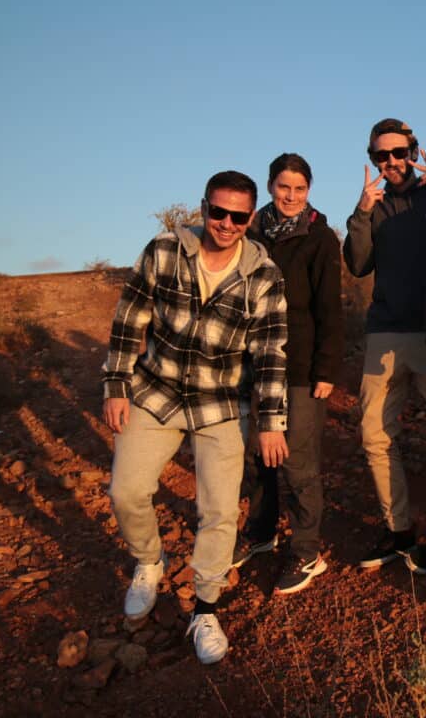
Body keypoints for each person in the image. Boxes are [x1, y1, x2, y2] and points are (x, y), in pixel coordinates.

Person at [103, 171, 288, 663]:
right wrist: (116, 386)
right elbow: (129, 319)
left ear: (251, 219)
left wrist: (271, 421)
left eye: (239, 216)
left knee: (221, 510)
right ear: (203, 207)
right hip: (156, 389)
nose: (226, 224)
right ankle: (149, 560)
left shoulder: (263, 275)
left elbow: (270, 354)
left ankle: (205, 607)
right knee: (125, 490)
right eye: (218, 212)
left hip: (221, 403)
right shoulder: (164, 251)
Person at [343, 119, 426, 573]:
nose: (392, 162)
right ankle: (397, 530)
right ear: (373, 159)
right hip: (385, 331)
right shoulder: (373, 207)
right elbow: (357, 264)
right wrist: (360, 213)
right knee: (376, 435)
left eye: (400, 153)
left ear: (414, 151)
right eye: (382, 155)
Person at [233, 153, 344, 595]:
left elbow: (329, 309)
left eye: (299, 189)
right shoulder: (251, 233)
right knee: (254, 454)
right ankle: (261, 532)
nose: (291, 196)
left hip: (299, 365)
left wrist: (327, 368)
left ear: (309, 190)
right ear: (270, 187)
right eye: (283, 187)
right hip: (251, 360)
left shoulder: (319, 237)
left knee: (297, 460)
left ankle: (306, 549)